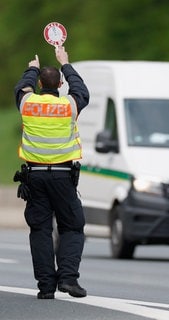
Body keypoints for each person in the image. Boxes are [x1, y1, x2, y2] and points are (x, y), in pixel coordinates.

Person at [14, 46, 90, 299]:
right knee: (72, 227)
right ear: (59, 84)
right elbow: (81, 91)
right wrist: (65, 63)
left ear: (38, 84)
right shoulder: (69, 105)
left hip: (34, 177)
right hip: (62, 176)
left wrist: (31, 68)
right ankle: (68, 279)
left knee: (40, 231)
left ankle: (46, 287)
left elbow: (21, 88)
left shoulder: (28, 103)